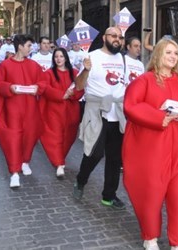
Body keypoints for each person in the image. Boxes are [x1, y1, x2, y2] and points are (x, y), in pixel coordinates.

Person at [123, 38, 178, 250]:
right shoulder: (144, 80)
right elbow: (131, 106)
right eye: (168, 52)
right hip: (153, 148)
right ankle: (150, 236)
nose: (172, 57)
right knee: (151, 195)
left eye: (175, 53)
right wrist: (160, 117)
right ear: (158, 54)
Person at [72, 27, 127, 210]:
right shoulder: (92, 57)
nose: (117, 39)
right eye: (113, 36)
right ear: (104, 38)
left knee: (114, 157)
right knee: (94, 153)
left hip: (117, 113)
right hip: (97, 111)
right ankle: (81, 180)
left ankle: (109, 196)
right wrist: (85, 70)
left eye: (120, 37)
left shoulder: (123, 59)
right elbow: (79, 86)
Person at [0, 34, 47, 188]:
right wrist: (9, 87)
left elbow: (43, 82)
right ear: (20, 46)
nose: (31, 48)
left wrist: (38, 88)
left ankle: (25, 161)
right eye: (29, 45)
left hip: (30, 109)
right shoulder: (5, 65)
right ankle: (14, 172)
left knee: (30, 136)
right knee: (14, 138)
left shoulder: (34, 65)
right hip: (12, 109)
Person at [40, 48, 85, 179]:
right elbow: (46, 89)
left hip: (71, 111)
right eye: (56, 57)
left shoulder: (75, 73)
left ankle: (60, 158)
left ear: (66, 58)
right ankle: (59, 163)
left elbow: (80, 88)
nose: (58, 59)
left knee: (68, 137)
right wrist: (61, 95)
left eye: (61, 56)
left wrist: (73, 94)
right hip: (54, 110)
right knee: (55, 136)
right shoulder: (48, 73)